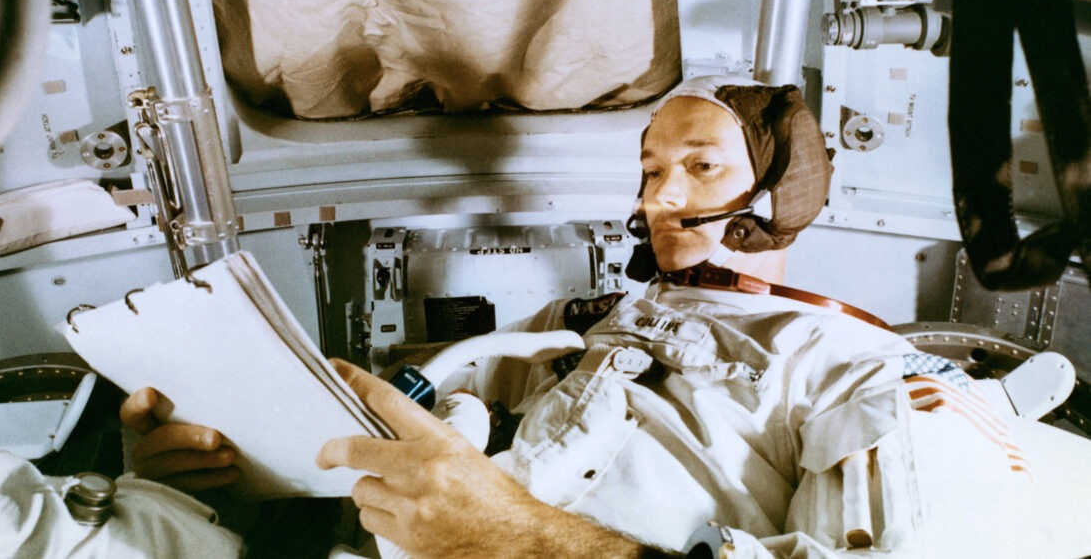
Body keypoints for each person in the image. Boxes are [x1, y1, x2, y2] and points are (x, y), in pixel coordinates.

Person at [121, 76, 1090, 558]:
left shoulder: (857, 366)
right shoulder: (578, 324)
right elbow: (396, 440)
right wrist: (223, 467)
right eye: (647, 168)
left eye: (701, 165)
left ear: (784, 188)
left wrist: (521, 539)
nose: (661, 194)